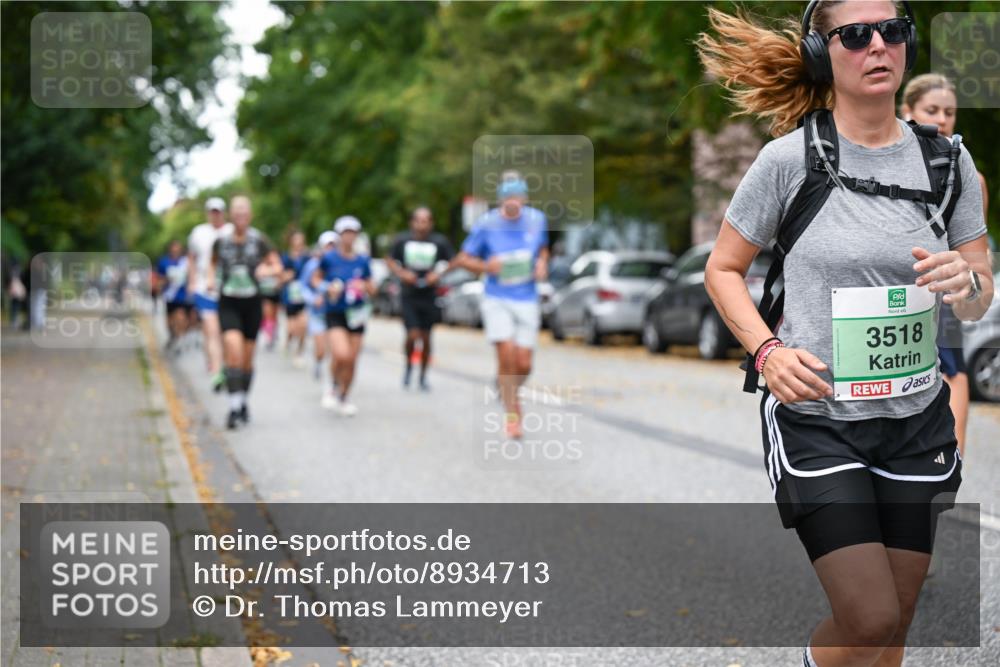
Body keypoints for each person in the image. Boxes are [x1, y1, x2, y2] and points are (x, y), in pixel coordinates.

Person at [697, 2, 991, 666]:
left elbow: (977, 296)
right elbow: (722, 268)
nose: (877, 44)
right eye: (855, 34)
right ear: (821, 51)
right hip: (818, 416)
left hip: (917, 418)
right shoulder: (788, 160)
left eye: (891, 31)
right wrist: (766, 350)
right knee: (869, 616)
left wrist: (966, 284)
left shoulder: (948, 164)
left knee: (899, 617)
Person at [900, 72, 991, 456]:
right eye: (931, 110)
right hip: (898, 288)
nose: (941, 118)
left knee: (952, 367)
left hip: (947, 292)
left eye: (949, 111)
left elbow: (971, 247)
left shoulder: (968, 172)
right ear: (907, 111)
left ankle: (951, 461)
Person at [455, 170, 549, 439]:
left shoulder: (537, 220)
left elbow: (542, 248)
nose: (513, 202)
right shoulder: (486, 224)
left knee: (524, 364)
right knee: (506, 354)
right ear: (500, 201)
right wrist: (486, 266)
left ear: (525, 199)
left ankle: (506, 386)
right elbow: (464, 258)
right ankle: (512, 414)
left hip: (527, 298)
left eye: (518, 197)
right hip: (497, 298)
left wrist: (542, 262)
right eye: (508, 198)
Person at [209, 196, 282, 430]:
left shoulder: (259, 240)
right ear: (231, 215)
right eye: (236, 211)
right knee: (234, 352)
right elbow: (212, 264)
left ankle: (243, 402)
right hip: (228, 302)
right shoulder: (221, 241)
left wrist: (267, 269)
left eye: (244, 211)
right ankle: (233, 407)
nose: (240, 215)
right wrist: (211, 280)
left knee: (248, 361)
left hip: (252, 303)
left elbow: (277, 266)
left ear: (249, 215)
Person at [386, 206, 455, 390]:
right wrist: (402, 273)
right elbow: (390, 260)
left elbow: (452, 261)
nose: (421, 224)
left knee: (426, 338)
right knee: (412, 334)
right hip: (409, 295)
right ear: (412, 222)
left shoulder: (439, 242)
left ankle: (423, 375)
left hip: (430, 295)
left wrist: (437, 274)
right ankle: (408, 365)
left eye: (426, 220)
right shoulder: (402, 240)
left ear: (431, 223)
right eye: (418, 220)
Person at [311, 216, 374, 416]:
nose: (348, 236)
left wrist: (363, 286)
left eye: (352, 233)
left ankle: (344, 396)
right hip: (335, 312)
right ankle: (332, 384)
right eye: (345, 232)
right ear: (339, 235)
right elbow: (315, 278)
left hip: (356, 313)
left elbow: (372, 287)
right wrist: (326, 288)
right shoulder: (329, 258)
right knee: (341, 354)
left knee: (352, 359)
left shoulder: (363, 260)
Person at [188, 197, 233, 392]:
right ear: (208, 213)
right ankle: (216, 372)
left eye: (218, 211)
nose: (215, 215)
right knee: (211, 331)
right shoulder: (199, 232)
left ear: (223, 213)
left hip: (228, 289)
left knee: (223, 333)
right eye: (212, 211)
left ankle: (220, 364)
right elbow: (191, 258)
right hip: (204, 288)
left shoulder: (231, 231)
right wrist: (191, 282)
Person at [301, 231, 338, 385]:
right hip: (317, 313)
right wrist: (313, 299)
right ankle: (318, 362)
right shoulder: (313, 265)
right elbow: (303, 286)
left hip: (335, 313)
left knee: (335, 350)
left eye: (333, 245)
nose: (331, 248)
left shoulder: (339, 263)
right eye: (328, 245)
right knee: (321, 349)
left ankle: (333, 379)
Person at [281, 230, 311, 367]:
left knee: (303, 326)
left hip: (303, 296)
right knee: (292, 329)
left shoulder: (307, 258)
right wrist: (287, 276)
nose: (298, 243)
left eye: (301, 240)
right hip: (290, 296)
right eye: (296, 240)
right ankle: (288, 341)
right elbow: (281, 275)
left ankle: (299, 352)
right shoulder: (286, 257)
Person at [155, 240, 191, 354]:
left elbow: (192, 276)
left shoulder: (186, 262)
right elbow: (160, 278)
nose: (176, 250)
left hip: (182, 295)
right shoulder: (164, 262)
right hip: (169, 296)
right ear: (170, 249)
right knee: (169, 321)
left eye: (178, 247)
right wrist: (160, 287)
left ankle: (180, 339)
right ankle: (173, 335)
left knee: (180, 317)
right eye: (174, 247)